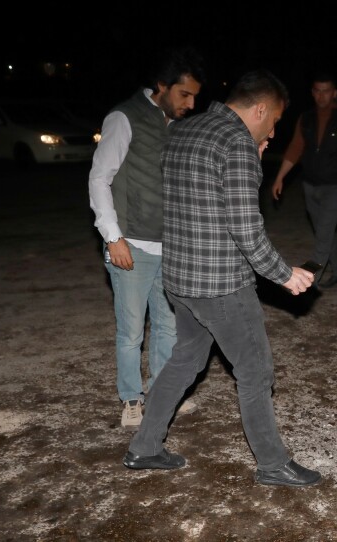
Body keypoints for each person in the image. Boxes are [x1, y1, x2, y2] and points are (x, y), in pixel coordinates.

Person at [122, 69, 322, 487]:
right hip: (221, 285)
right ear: (261, 109)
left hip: (180, 279)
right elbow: (246, 227)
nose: (274, 131)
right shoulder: (235, 141)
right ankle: (273, 464)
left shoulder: (182, 130)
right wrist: (284, 274)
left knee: (185, 360)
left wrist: (252, 160)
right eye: (275, 121)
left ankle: (145, 446)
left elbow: (198, 198)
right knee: (255, 370)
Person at [89, 46, 206, 430]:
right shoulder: (124, 117)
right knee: (131, 331)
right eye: (184, 94)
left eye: (195, 96)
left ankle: (161, 393)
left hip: (170, 245)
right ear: (162, 85)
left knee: (169, 326)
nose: (190, 104)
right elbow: (100, 178)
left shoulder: (177, 124)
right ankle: (131, 399)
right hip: (132, 246)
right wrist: (113, 237)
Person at [271, 72, 337, 288]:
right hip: (310, 184)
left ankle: (310, 284)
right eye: (317, 91)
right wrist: (279, 177)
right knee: (325, 232)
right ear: (313, 93)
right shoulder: (306, 118)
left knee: (322, 236)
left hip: (336, 186)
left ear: (334, 93)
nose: (322, 96)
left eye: (326, 91)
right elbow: (295, 149)